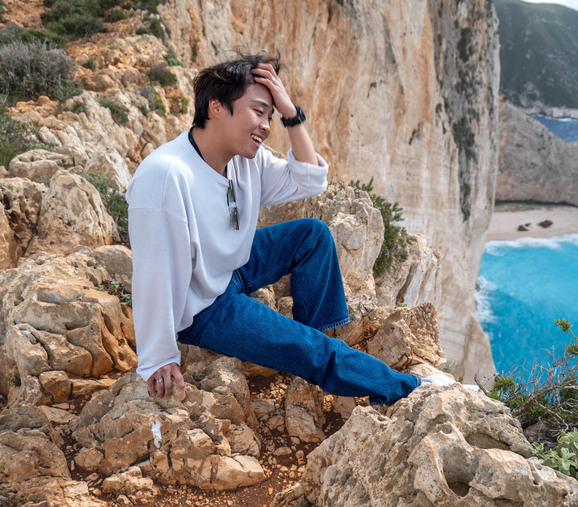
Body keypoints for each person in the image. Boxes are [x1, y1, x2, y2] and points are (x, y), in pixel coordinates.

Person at [125, 52, 434, 405]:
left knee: (312, 235)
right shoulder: (165, 176)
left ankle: (313, 342)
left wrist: (292, 114)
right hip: (200, 307)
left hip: (227, 269)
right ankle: (410, 389)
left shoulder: (243, 160)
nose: (267, 126)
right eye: (258, 112)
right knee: (315, 351)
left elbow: (310, 180)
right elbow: (154, 274)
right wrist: (160, 357)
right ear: (215, 107)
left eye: (271, 117)